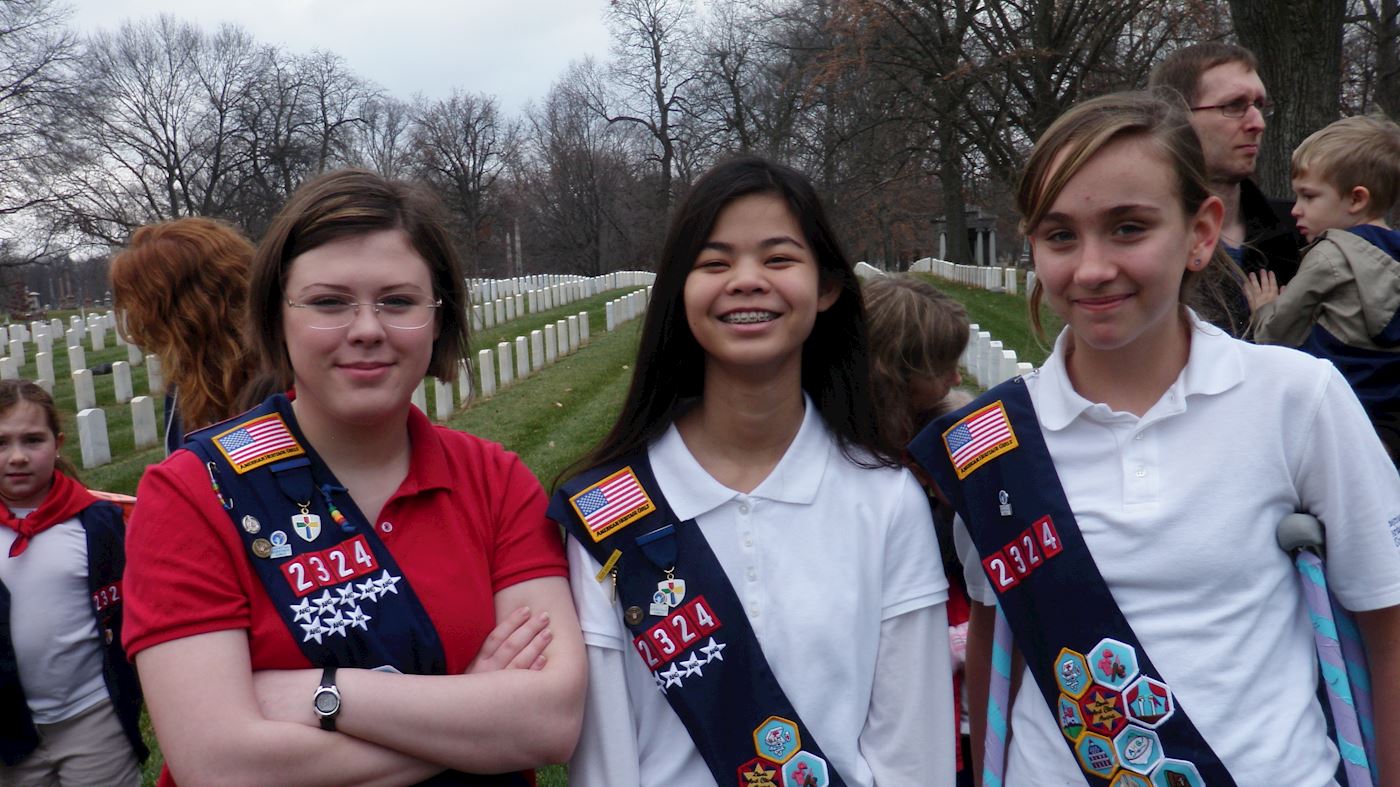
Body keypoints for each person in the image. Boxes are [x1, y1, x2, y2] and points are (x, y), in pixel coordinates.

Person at [907, 92, 1400, 785]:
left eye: (1129, 228)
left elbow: (1387, 625)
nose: (1092, 268)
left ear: (1201, 233)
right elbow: (998, 651)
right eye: (1060, 236)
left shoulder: (1297, 398)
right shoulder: (993, 442)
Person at [121, 169, 586, 785]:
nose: (367, 329)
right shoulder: (191, 495)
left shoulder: (495, 482)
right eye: (329, 302)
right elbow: (221, 765)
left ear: (438, 318)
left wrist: (329, 694)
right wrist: (470, 713)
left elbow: (549, 722)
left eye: (397, 301)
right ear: (275, 318)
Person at [553, 156, 955, 787]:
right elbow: (606, 757)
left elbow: (914, 750)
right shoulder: (609, 512)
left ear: (826, 288)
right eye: (714, 263)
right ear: (680, 292)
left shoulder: (886, 498)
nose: (746, 280)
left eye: (777, 258)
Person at [0, 380, 146, 785]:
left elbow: (130, 606)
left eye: (33, 440)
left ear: (58, 442)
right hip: (10, 728)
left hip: (92, 715)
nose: (17, 457)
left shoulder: (95, 521)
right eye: (2, 443)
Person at [862, 273, 975, 786]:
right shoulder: (854, 464)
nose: (956, 380)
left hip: (959, 671)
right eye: (943, 366)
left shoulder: (950, 447)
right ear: (896, 372)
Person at [1246, 114, 1400, 463]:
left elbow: (1275, 334)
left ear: (1356, 199)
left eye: (1309, 196)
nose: (1296, 210)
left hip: (1333, 411)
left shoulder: (1329, 255)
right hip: (1384, 414)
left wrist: (1263, 307)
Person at [1150, 43, 1303, 286]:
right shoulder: (1144, 244)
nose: (1258, 123)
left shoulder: (1302, 231)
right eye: (1234, 106)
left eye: (1260, 106)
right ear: (1177, 118)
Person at [109, 217, 263, 454]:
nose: (136, 318)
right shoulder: (188, 377)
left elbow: (239, 457)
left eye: (142, 304)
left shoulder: (269, 381)